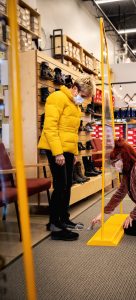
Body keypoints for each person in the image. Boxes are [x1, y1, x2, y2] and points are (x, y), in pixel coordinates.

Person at [38, 75, 96, 241]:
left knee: (68, 185)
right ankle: (55, 226)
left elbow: (72, 132)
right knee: (60, 185)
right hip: (56, 149)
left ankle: (63, 219)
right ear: (75, 88)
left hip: (68, 150)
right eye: (83, 96)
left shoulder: (74, 105)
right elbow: (49, 128)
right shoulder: (56, 98)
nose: (84, 100)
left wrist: (75, 153)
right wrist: (58, 153)